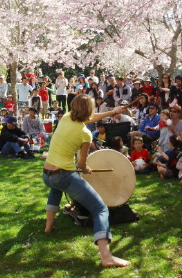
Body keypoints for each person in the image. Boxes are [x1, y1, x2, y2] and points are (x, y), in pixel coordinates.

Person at [42, 94, 130, 267]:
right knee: (100, 209)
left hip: (47, 174)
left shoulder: (66, 117)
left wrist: (113, 112)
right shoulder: (85, 134)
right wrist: (86, 169)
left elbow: (89, 117)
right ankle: (106, 257)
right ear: (89, 110)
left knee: (56, 188)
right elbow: (82, 164)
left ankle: (48, 226)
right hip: (63, 175)